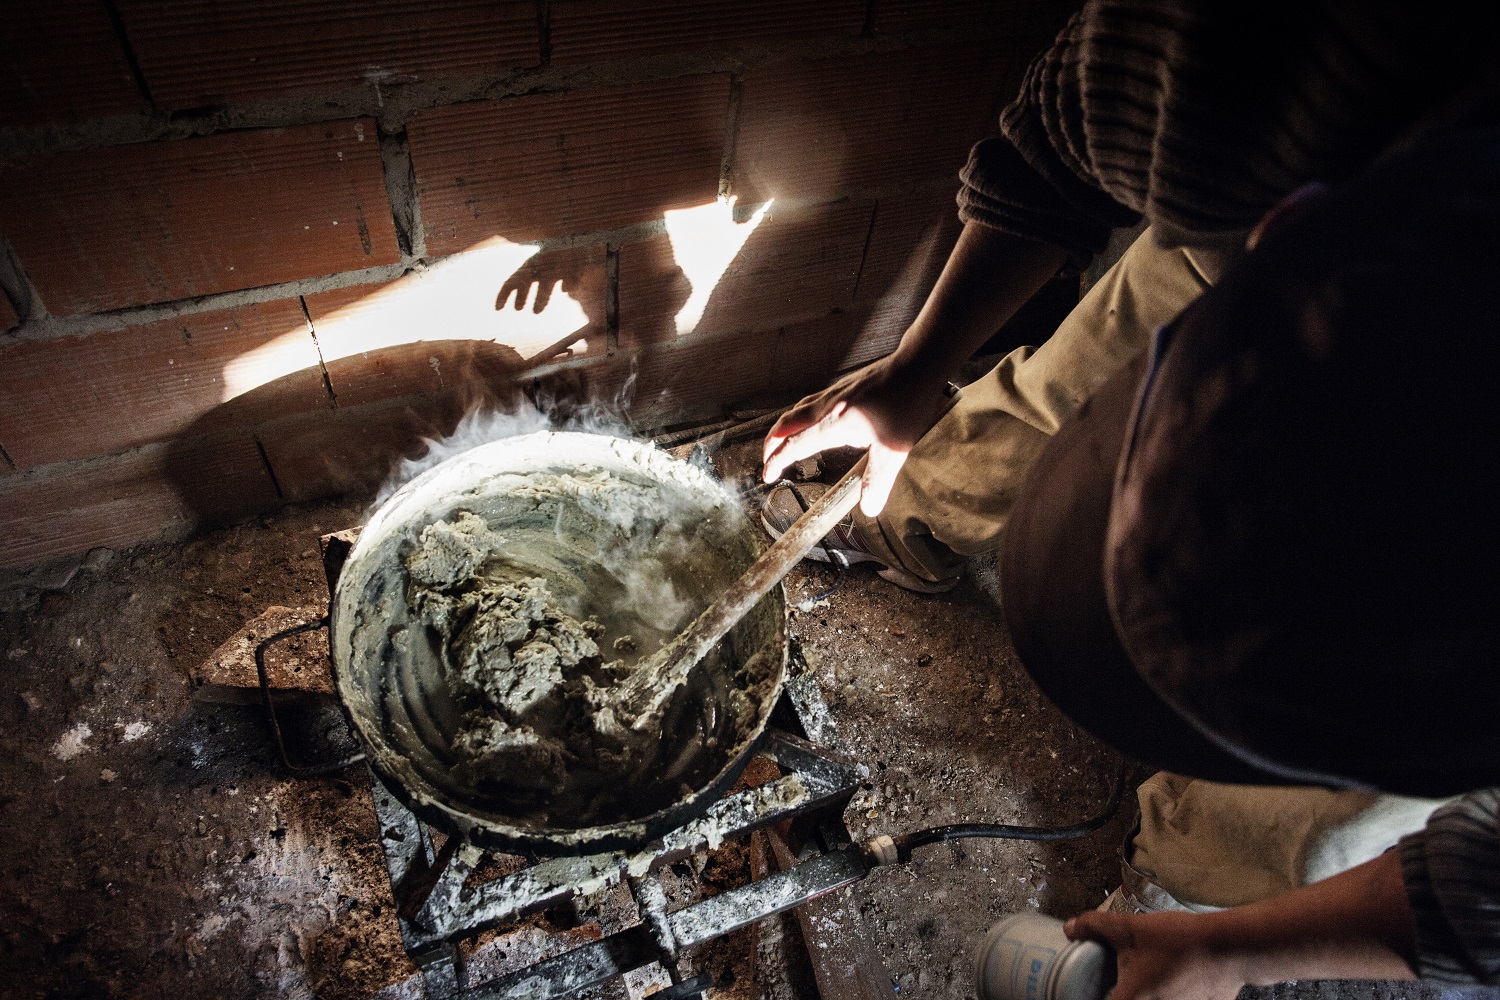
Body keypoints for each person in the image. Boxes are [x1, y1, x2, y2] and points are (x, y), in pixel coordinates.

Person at [757, 2, 1500, 995]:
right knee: (1078, 378)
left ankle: (1194, 886)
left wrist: (1226, 954)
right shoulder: (1288, 59)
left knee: (1320, 813)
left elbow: (1483, 898)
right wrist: (914, 370)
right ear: (1288, 227)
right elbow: (1048, 153)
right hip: (1321, 176)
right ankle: (905, 510)